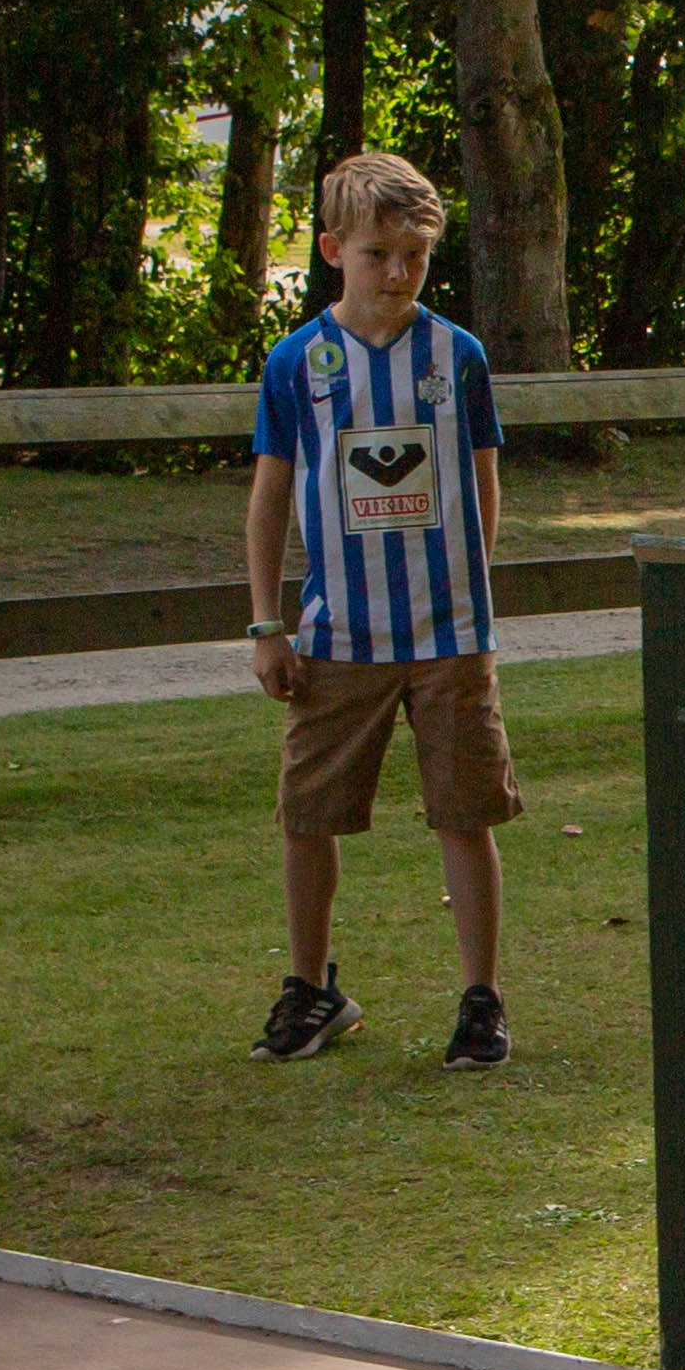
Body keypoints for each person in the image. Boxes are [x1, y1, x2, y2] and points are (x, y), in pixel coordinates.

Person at [243, 150, 517, 1070]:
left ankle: (481, 999)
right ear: (331, 250)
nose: (397, 273)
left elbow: (483, 488)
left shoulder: (457, 358)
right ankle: (310, 986)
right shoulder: (298, 364)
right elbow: (271, 499)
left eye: (415, 255)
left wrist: (472, 599)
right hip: (337, 636)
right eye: (376, 254)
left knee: (463, 812)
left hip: (447, 635)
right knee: (308, 813)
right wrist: (265, 622)